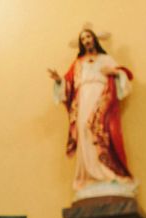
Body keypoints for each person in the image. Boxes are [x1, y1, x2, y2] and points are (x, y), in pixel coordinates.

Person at [49, 29, 135, 193]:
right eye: (83, 38)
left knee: (103, 131)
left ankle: (108, 173)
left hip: (102, 98)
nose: (86, 40)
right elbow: (67, 84)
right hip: (83, 100)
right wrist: (59, 80)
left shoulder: (106, 59)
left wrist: (114, 72)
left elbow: (123, 76)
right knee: (83, 131)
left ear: (94, 39)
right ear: (81, 44)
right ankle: (89, 176)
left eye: (88, 36)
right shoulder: (78, 63)